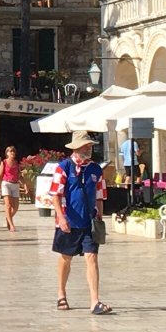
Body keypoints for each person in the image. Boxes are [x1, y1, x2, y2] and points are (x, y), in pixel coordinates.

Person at [50, 131, 111, 315]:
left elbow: (100, 196)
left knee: (92, 257)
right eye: (85, 146)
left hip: (89, 222)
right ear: (76, 148)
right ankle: (61, 293)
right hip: (68, 222)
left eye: (90, 146)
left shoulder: (95, 169)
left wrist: (99, 217)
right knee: (66, 258)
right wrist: (61, 217)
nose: (89, 149)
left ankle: (95, 301)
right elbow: (55, 195)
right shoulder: (63, 167)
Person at [0, 145, 22, 232]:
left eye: (13, 151)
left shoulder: (16, 163)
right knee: (8, 205)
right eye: (10, 151)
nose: (12, 153)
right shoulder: (4, 162)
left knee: (16, 207)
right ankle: (11, 225)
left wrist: (25, 184)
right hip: (6, 184)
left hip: (15, 184)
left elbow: (19, 175)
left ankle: (8, 217)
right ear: (7, 153)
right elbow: (0, 176)